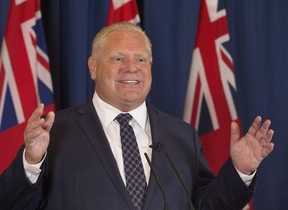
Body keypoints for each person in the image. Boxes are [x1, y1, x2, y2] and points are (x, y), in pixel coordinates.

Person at [0, 22, 274, 210]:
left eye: (140, 59)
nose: (132, 68)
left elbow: (206, 205)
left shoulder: (182, 134)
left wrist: (241, 170)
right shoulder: (56, 131)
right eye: (118, 59)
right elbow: (13, 204)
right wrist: (32, 162)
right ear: (93, 68)